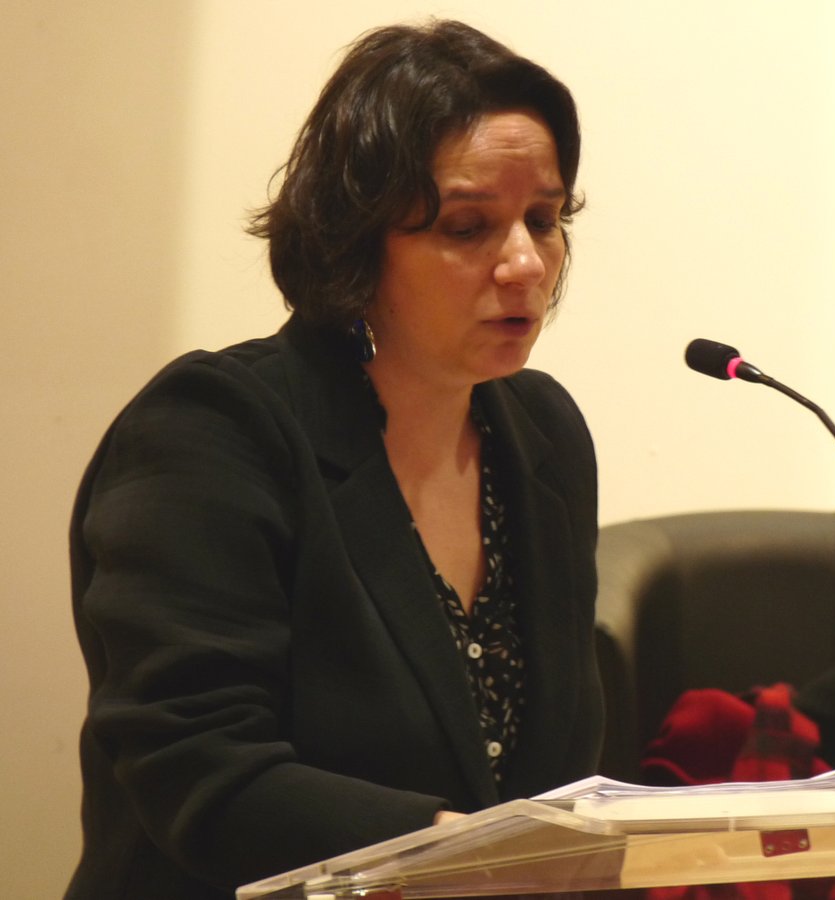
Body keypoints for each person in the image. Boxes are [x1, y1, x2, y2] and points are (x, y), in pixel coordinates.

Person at [65, 20, 602, 900]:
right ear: (356, 240)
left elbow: (552, 776)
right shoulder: (212, 430)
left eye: (542, 221)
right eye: (468, 226)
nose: (524, 264)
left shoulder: (544, 437)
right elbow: (195, 769)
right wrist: (461, 855)